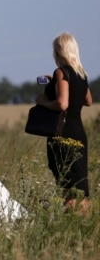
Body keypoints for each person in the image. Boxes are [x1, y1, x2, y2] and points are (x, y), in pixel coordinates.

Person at [35, 32, 92, 215]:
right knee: (79, 185)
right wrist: (59, 84)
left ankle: (71, 219)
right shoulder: (81, 73)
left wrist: (43, 102)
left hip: (63, 132)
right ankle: (82, 224)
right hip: (79, 132)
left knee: (67, 183)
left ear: (58, 51)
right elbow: (88, 101)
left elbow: (62, 103)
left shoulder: (61, 72)